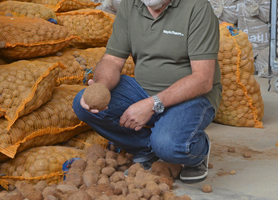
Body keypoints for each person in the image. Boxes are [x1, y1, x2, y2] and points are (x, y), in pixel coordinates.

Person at [73, 0, 222, 183]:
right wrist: (101, 87)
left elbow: (203, 80)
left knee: (170, 146)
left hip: (191, 97)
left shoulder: (197, 8)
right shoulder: (130, 5)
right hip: (143, 90)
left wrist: (153, 104)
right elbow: (112, 60)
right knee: (83, 104)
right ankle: (147, 149)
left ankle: (197, 151)